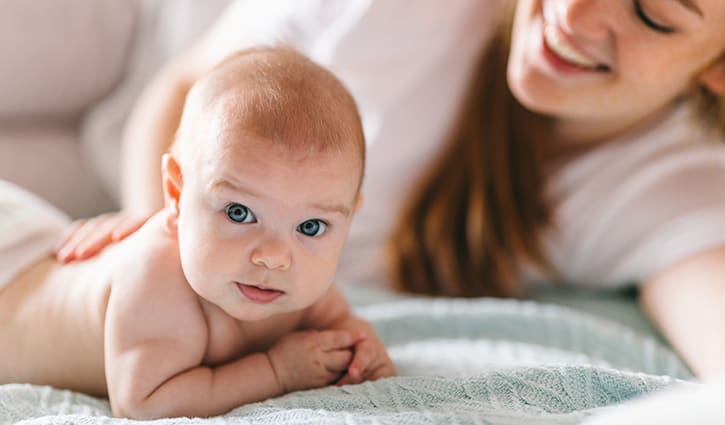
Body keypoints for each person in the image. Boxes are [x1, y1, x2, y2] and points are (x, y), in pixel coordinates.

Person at [58, 0, 725, 377]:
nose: (573, 14)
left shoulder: (668, 183)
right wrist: (156, 237)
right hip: (142, 44)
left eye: (651, 13)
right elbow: (177, 92)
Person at [0, 46, 394, 419]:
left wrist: (363, 351)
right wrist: (276, 371)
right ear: (175, 195)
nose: (274, 256)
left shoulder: (305, 284)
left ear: (346, 222)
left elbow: (345, 326)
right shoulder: (155, 281)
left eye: (311, 227)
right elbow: (143, 403)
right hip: (12, 273)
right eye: (239, 213)